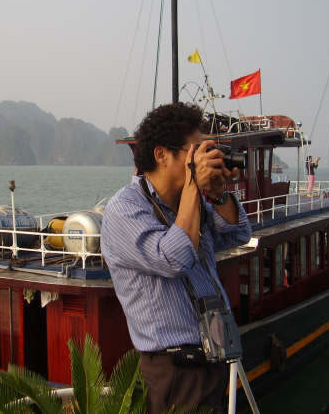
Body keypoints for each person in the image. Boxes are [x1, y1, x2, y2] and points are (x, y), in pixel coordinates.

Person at [101, 103, 252, 413]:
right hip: (174, 370)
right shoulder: (125, 209)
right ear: (161, 154)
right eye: (195, 151)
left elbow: (237, 234)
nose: (202, 160)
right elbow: (173, 259)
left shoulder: (188, 202)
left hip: (213, 357)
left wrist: (219, 193)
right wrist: (195, 185)